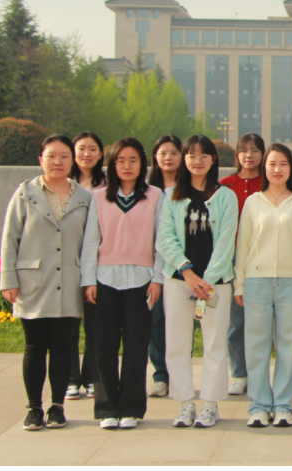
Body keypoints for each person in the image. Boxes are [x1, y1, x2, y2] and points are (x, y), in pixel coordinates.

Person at [0, 135, 93, 431]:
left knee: (64, 346)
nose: (57, 162)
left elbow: (90, 243)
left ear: (72, 161)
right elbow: (9, 238)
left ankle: (57, 407)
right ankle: (34, 408)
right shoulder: (25, 193)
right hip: (33, 282)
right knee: (35, 346)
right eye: (51, 156)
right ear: (41, 159)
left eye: (64, 156)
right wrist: (8, 279)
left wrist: (89, 280)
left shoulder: (85, 197)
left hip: (70, 281)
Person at [80, 137, 164, 429]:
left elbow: (161, 240)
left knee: (136, 346)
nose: (127, 166)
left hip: (142, 280)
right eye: (121, 160)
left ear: (143, 164)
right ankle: (106, 408)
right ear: (112, 164)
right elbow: (91, 241)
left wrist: (157, 278)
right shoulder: (98, 197)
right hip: (104, 279)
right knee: (104, 346)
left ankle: (131, 408)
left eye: (133, 160)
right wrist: (88, 280)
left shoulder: (155, 196)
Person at [156, 135, 238, 428]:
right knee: (177, 343)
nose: (197, 161)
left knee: (215, 344)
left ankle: (211, 405)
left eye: (204, 155)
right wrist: (188, 272)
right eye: (191, 155)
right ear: (184, 159)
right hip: (179, 282)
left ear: (214, 160)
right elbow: (165, 238)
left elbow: (226, 242)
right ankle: (185, 403)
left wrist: (207, 280)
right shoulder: (171, 196)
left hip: (215, 285)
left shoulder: (226, 196)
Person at [234, 143, 292, 428]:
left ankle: (283, 405)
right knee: (256, 344)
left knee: (289, 345)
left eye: (283, 164)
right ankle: (258, 405)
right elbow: (243, 245)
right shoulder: (253, 202)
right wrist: (239, 283)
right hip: (256, 282)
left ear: (290, 168)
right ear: (264, 168)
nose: (277, 169)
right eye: (272, 164)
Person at [219, 132, 266, 396]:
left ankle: (258, 374)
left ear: (262, 154)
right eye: (244, 150)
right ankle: (239, 374)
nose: (249, 155)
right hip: (232, 258)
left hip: (262, 259)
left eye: (255, 150)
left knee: (260, 322)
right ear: (237, 154)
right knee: (236, 320)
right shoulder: (225, 185)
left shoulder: (269, 182)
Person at [66, 131, 106, 402]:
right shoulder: (64, 184)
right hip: (67, 262)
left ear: (101, 154)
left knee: (95, 325)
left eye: (92, 149)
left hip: (98, 263)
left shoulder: (108, 183)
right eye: (81, 149)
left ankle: (91, 376)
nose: (86, 154)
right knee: (69, 323)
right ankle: (70, 378)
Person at [146, 135, 182, 399]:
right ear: (155, 158)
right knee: (156, 321)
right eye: (162, 153)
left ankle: (179, 376)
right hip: (153, 267)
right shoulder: (147, 192)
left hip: (183, 267)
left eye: (173, 153)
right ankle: (161, 376)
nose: (168, 158)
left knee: (180, 324)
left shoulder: (189, 189)